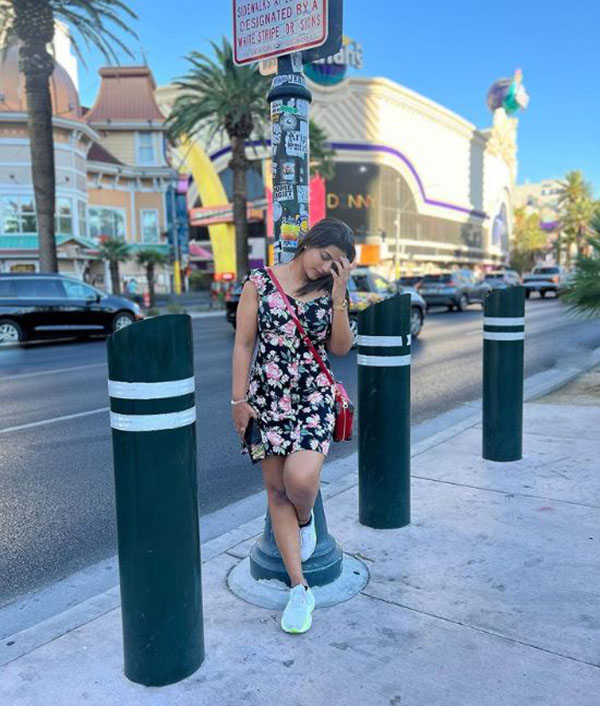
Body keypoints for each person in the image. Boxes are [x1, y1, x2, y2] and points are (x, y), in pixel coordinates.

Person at [231, 218, 356, 634]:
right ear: (308, 242)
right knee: (275, 490)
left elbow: (340, 348)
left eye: (335, 264)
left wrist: (338, 295)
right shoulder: (260, 283)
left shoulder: (332, 290)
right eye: (324, 256)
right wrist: (238, 401)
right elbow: (244, 344)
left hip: (313, 396)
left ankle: (305, 520)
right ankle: (299, 588)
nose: (324, 267)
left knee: (299, 480)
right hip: (267, 397)